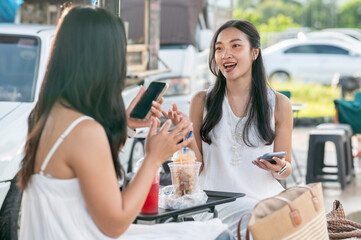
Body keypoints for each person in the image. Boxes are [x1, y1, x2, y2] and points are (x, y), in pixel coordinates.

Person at [18, 5, 233, 240]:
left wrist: (126, 128)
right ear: (104, 62)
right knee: (215, 233)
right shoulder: (84, 131)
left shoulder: (46, 116)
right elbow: (116, 223)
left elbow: (88, 170)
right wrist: (153, 158)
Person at [166, 20, 293, 237]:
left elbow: (285, 170)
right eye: (219, 48)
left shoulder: (279, 104)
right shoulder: (201, 101)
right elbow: (199, 166)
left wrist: (278, 167)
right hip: (217, 204)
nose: (226, 54)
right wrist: (184, 134)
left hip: (266, 202)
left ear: (254, 53)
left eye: (235, 46)